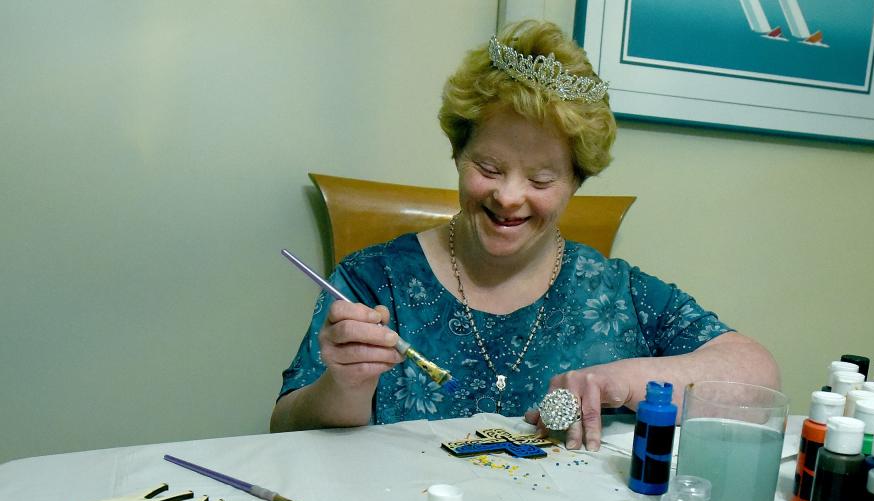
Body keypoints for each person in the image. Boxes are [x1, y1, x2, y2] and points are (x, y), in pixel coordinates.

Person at [271, 19, 779, 451]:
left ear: (576, 183)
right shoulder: (373, 280)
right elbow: (282, 432)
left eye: (540, 180)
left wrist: (619, 380)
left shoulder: (618, 294)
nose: (510, 197)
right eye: (489, 167)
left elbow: (757, 378)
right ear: (457, 154)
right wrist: (344, 385)